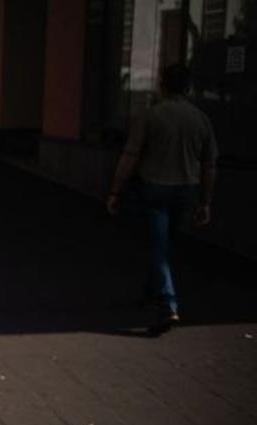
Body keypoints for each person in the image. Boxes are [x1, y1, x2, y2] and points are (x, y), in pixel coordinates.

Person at [107, 63, 217, 330]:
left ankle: (168, 304)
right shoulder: (200, 119)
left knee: (159, 245)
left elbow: (130, 155)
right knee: (166, 245)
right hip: (187, 189)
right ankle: (152, 291)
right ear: (188, 87)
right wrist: (205, 201)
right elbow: (209, 164)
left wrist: (115, 190)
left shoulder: (151, 116)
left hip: (155, 187)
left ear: (162, 84)